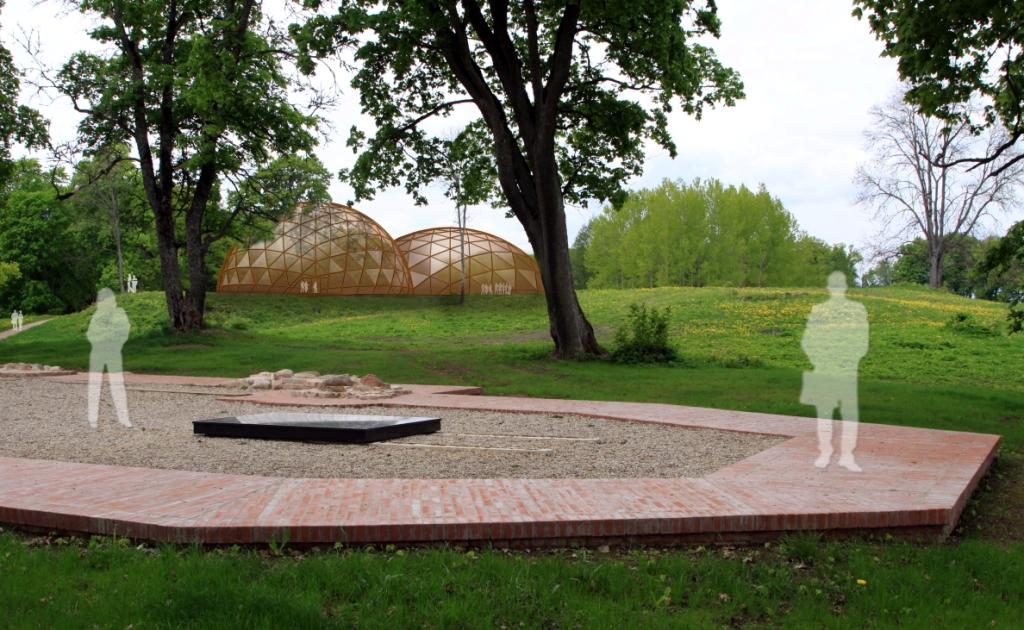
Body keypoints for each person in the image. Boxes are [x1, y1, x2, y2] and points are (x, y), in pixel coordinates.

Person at [800, 271, 869, 472]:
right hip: (825, 369)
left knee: (848, 414)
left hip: (847, 370)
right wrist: (819, 359)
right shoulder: (818, 310)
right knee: (825, 412)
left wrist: (849, 360)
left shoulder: (857, 310)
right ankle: (825, 452)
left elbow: (862, 340)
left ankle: (847, 456)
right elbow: (808, 339)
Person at [86, 288, 132, 428]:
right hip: (97, 354)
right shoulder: (97, 316)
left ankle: (123, 418)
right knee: (94, 387)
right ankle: (93, 418)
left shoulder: (120, 314)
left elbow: (124, 331)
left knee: (118, 386)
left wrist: (110, 340)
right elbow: (91, 334)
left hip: (113, 354)